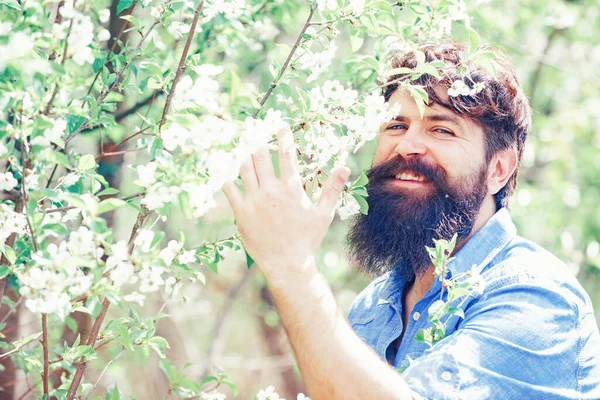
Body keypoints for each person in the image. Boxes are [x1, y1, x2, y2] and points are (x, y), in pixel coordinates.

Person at [222, 42, 600, 399]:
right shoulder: (373, 306)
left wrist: (292, 267)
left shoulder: (537, 300)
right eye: (395, 126)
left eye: (441, 129)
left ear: (498, 169)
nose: (406, 145)